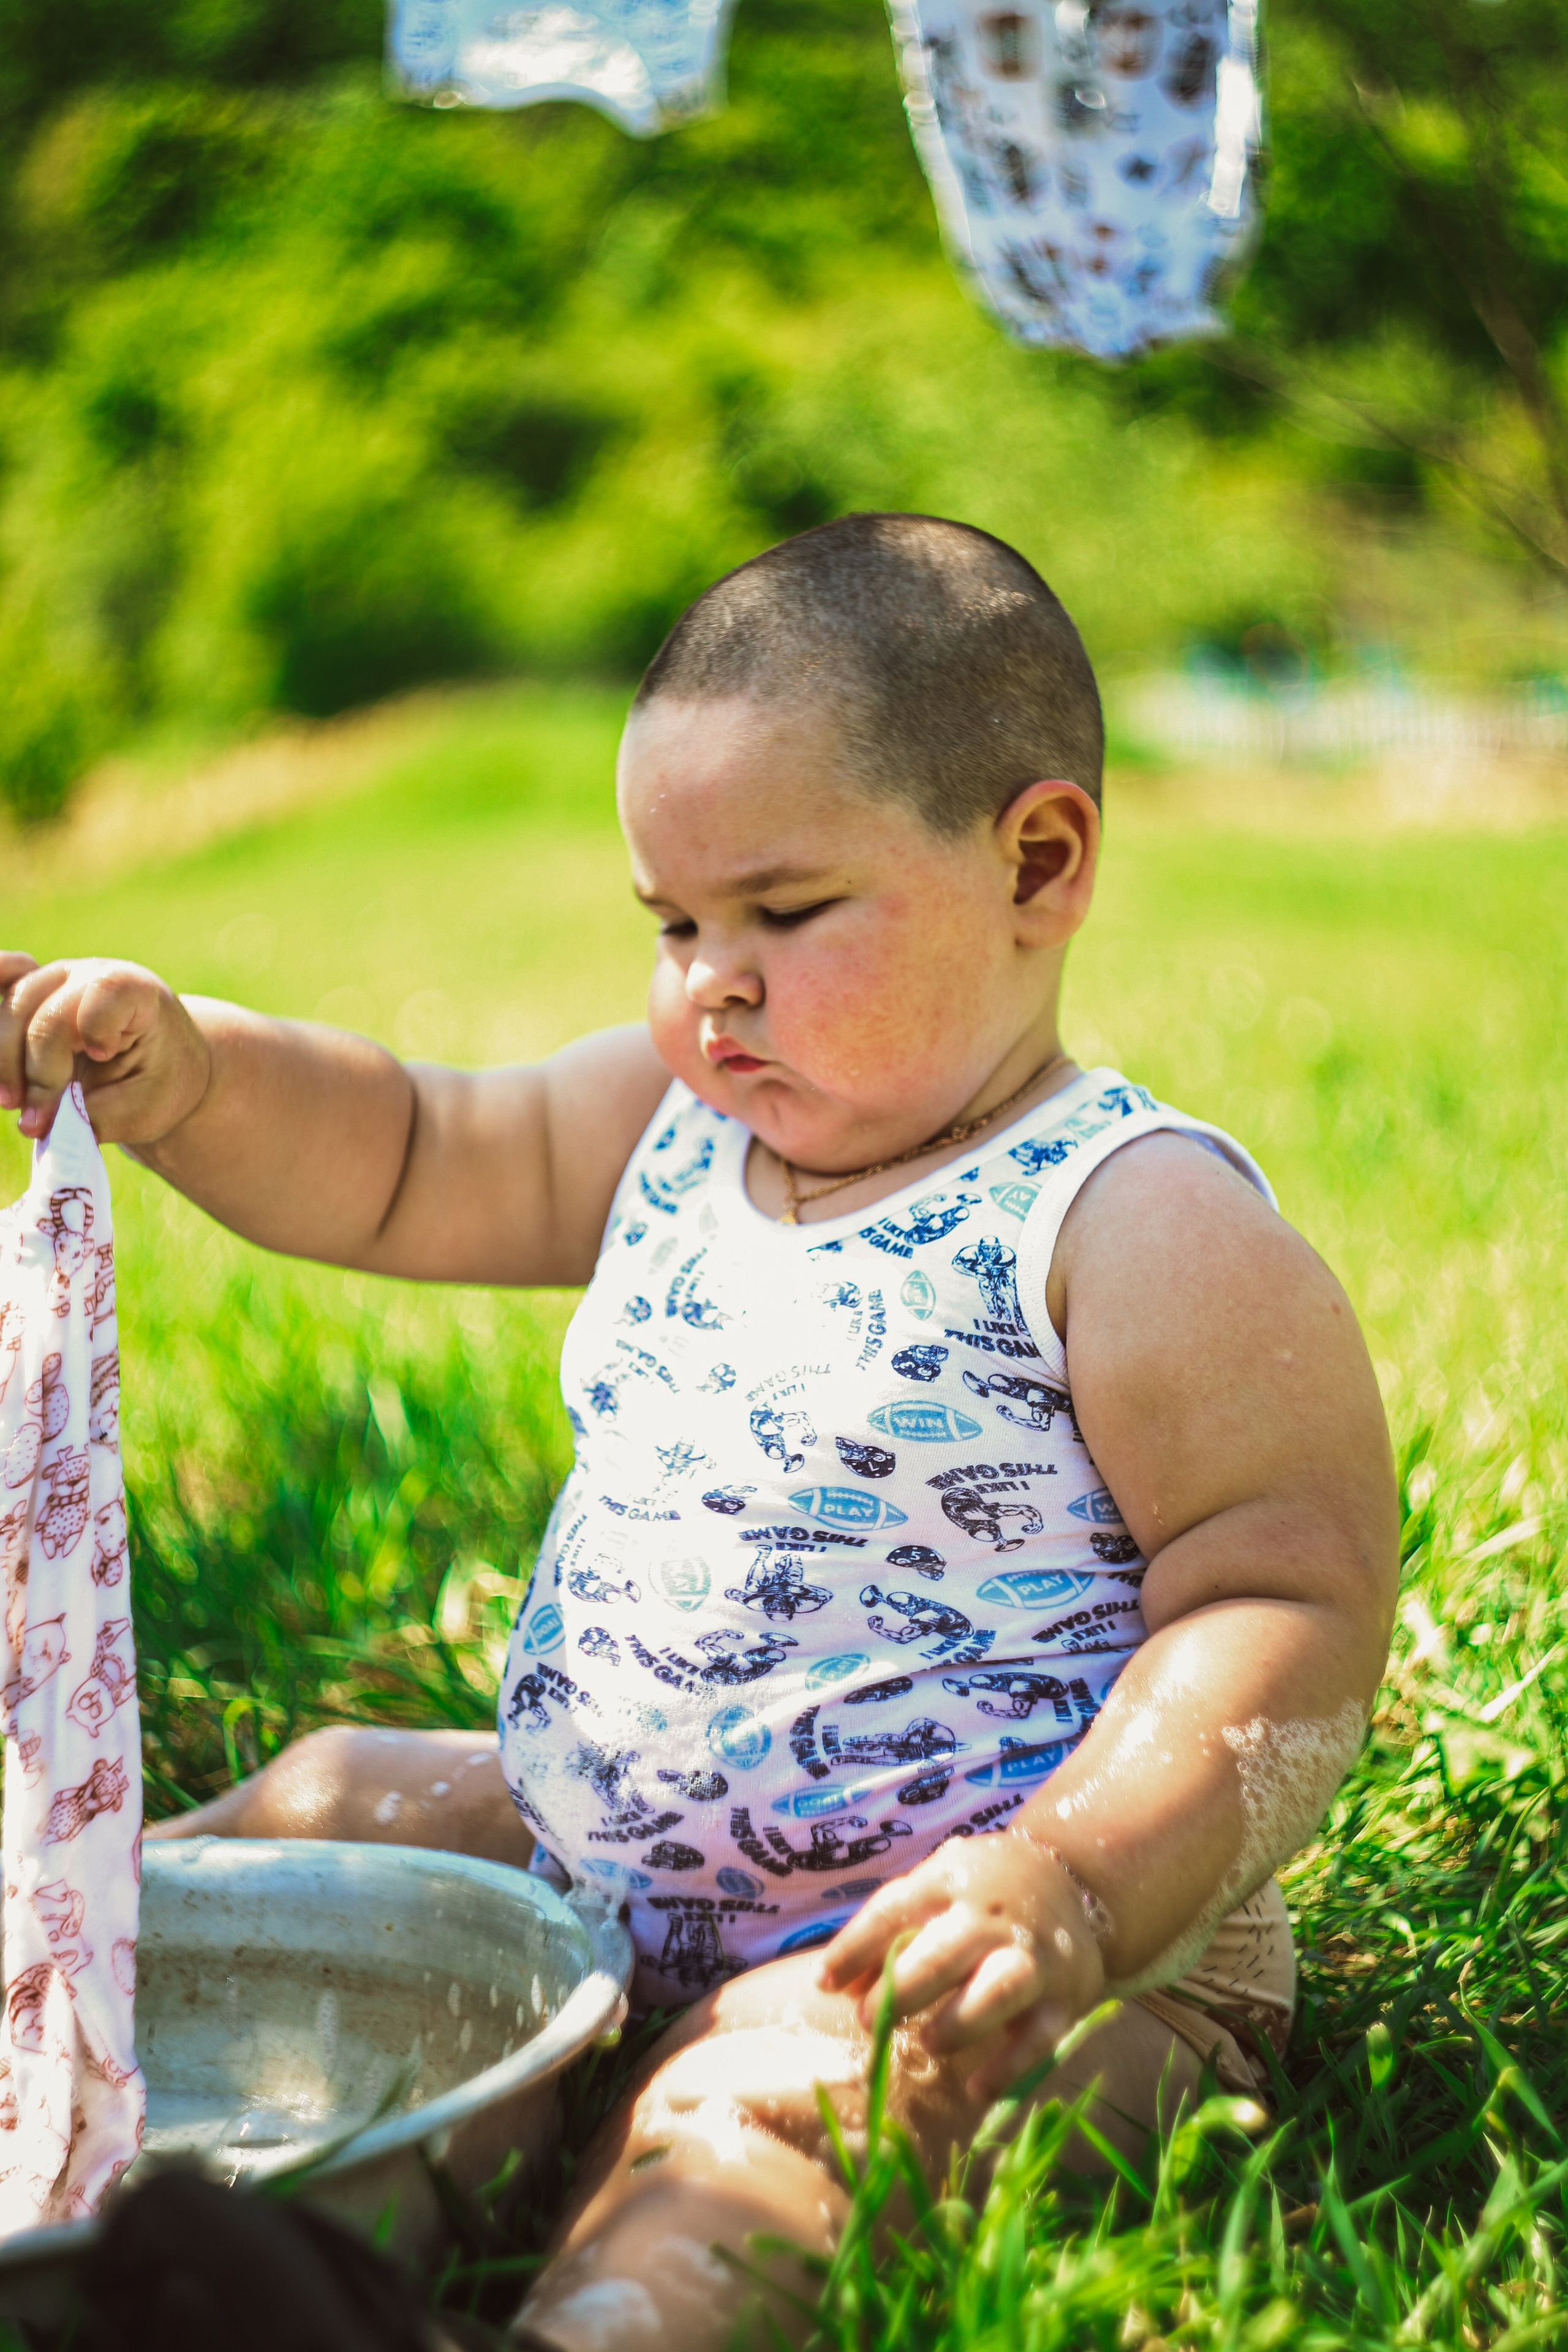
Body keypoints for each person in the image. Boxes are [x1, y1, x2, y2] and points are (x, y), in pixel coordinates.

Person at [0, 514, 1398, 2352]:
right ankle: (63, 2050)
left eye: (784, 914)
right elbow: (416, 1152)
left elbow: (1290, 1609)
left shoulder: (1128, 1222)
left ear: (1036, 864)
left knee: (758, 2109)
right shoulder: (677, 1124)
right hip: (612, 1854)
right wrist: (195, 1077)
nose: (708, 982)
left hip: (996, 1957)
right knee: (329, 1802)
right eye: (671, 922)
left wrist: (1069, 1888)